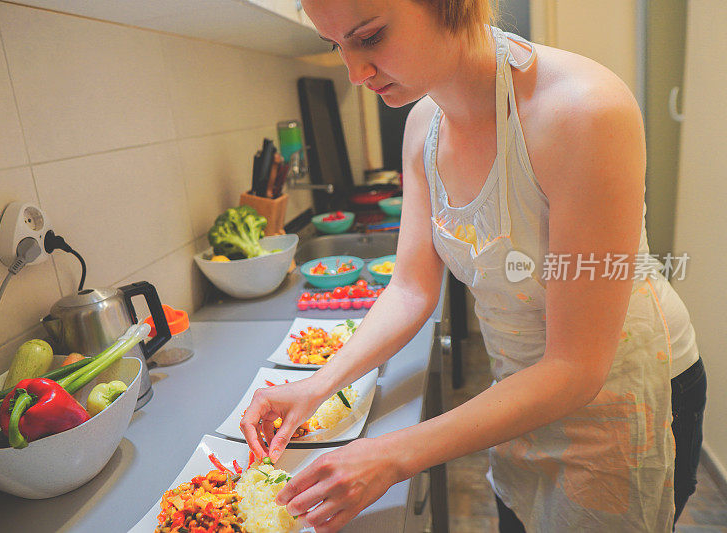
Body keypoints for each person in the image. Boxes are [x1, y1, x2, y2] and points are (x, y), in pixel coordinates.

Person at [240, 1, 707, 531]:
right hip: (517, 394)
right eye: (337, 46)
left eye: (369, 37)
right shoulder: (423, 126)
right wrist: (316, 385)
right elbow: (412, 288)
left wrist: (395, 454)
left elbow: (578, 366)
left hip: (619, 393)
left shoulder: (582, 109)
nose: (354, 73)